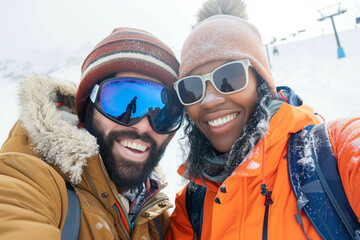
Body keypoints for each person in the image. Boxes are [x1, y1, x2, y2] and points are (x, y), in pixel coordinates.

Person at [166, 0, 360, 239]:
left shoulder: (335, 154)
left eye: (229, 76)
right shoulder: (191, 205)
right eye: (191, 88)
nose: (210, 100)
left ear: (261, 83)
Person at [0, 27, 184, 239]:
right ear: (88, 106)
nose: (143, 126)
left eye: (164, 112)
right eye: (120, 100)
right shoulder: (32, 179)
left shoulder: (157, 218)